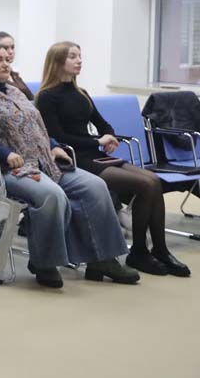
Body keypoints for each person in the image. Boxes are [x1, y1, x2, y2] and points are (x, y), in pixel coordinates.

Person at [0, 40, 140, 288]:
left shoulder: (15, 92)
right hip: (4, 170)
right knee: (52, 195)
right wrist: (3, 153)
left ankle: (103, 259)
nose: (6, 64)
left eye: (7, 59)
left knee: (95, 187)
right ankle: (44, 262)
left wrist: (53, 145)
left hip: (42, 162)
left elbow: (35, 128)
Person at [36, 42, 189, 277]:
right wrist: (98, 141)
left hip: (93, 153)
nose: (79, 60)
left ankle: (158, 250)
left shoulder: (81, 93)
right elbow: (58, 137)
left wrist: (109, 135)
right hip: (74, 157)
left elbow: (102, 123)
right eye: (72, 56)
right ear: (57, 62)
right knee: (145, 184)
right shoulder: (47, 97)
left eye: (80, 56)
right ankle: (139, 252)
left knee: (153, 180)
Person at [0, 31, 34, 100]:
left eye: (12, 47)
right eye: (5, 48)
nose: (11, 52)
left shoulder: (14, 75)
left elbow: (31, 98)